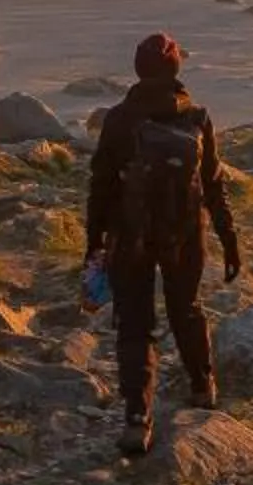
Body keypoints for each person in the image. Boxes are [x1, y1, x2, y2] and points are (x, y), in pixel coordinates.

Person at [85, 31, 241, 457]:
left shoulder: (119, 120)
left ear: (137, 69)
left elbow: (100, 185)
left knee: (134, 324)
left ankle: (138, 419)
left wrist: (93, 242)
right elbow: (213, 185)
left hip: (129, 235)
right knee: (186, 309)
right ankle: (202, 384)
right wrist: (229, 239)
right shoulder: (197, 118)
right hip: (185, 233)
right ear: (176, 69)